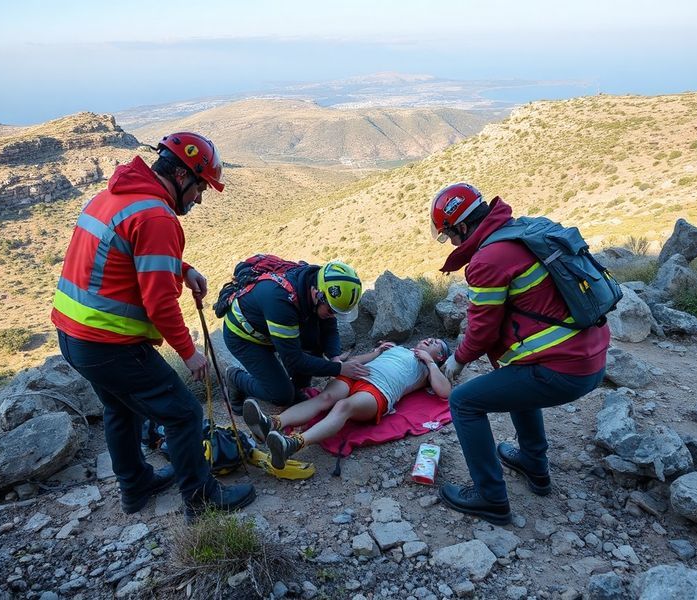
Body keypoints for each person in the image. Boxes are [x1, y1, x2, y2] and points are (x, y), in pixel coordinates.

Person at [52, 132, 255, 521]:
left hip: (73, 335)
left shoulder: (112, 196)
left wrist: (181, 267)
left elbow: (127, 254)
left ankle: (135, 485)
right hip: (109, 344)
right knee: (183, 414)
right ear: (181, 175)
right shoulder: (157, 216)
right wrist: (190, 353)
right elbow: (160, 303)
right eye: (199, 187)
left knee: (120, 409)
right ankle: (201, 500)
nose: (199, 198)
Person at [429, 182, 609, 525]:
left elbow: (482, 330)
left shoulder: (488, 259)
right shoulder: (519, 232)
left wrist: (457, 361)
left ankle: (490, 496)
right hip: (591, 355)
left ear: (462, 227)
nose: (452, 243)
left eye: (450, 235)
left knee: (464, 402)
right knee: (514, 378)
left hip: (565, 369)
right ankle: (534, 465)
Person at [241, 338, 452, 468]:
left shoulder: (426, 369)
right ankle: (271, 423)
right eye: (429, 339)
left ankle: (293, 444)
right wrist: (377, 352)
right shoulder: (398, 349)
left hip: (379, 391)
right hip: (358, 375)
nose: (429, 340)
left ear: (440, 356)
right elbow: (356, 362)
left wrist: (430, 361)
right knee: (325, 398)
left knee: (344, 406)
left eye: (435, 344)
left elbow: (445, 392)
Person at [223, 260, 369, 414]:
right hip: (243, 337)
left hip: (270, 325)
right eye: (332, 310)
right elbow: (294, 359)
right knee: (282, 395)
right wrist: (339, 369)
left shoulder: (319, 285)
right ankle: (236, 378)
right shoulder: (281, 301)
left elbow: (329, 330)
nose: (334, 315)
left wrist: (335, 357)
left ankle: (296, 387)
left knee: (314, 342)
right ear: (317, 294)